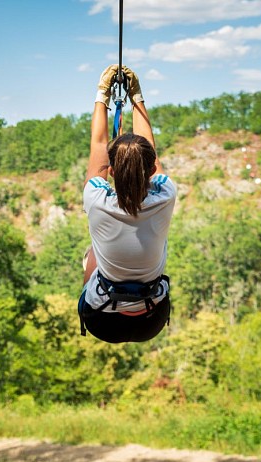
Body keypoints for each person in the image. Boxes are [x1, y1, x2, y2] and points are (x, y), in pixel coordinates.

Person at [77, 65, 177, 343]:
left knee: (93, 253)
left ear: (111, 171)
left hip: (101, 319)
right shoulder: (165, 195)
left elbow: (98, 146)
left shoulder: (98, 199)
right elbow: (151, 157)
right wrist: (137, 96)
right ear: (149, 168)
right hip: (151, 317)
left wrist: (102, 95)